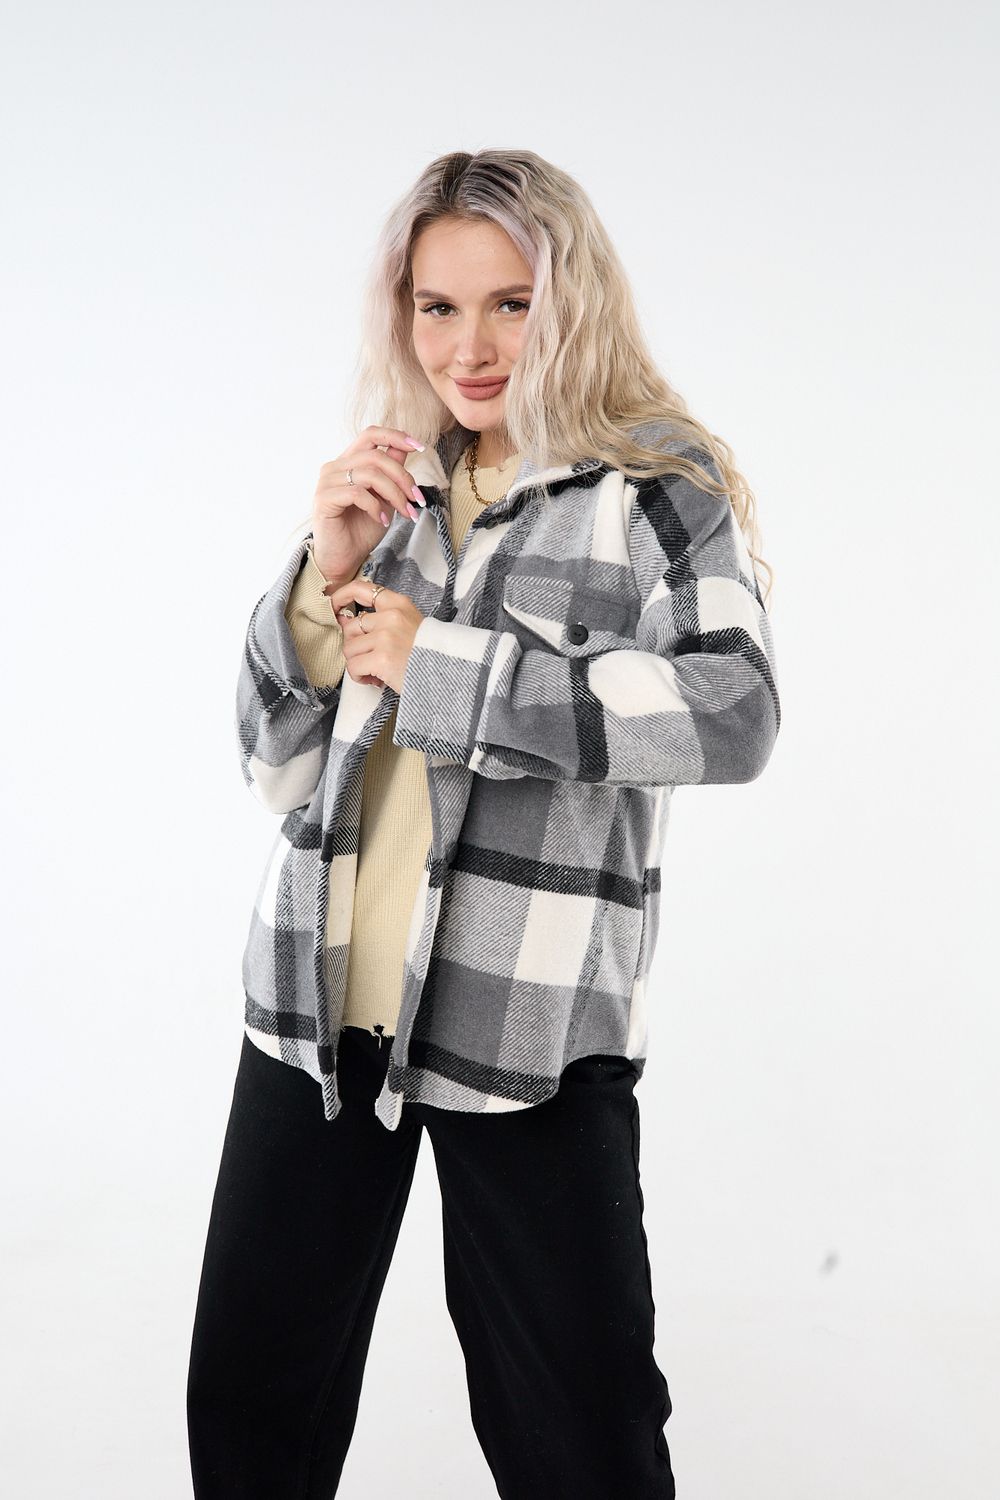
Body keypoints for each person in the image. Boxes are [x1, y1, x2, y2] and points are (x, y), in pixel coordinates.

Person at [187, 148, 780, 1498]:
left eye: (513, 303)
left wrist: (448, 670)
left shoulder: (654, 490)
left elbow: (736, 712)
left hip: (529, 1026)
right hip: (315, 1008)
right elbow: (276, 769)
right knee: (248, 1405)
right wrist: (320, 577)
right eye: (438, 306)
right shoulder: (392, 486)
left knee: (579, 1434)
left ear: (573, 303)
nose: (472, 346)